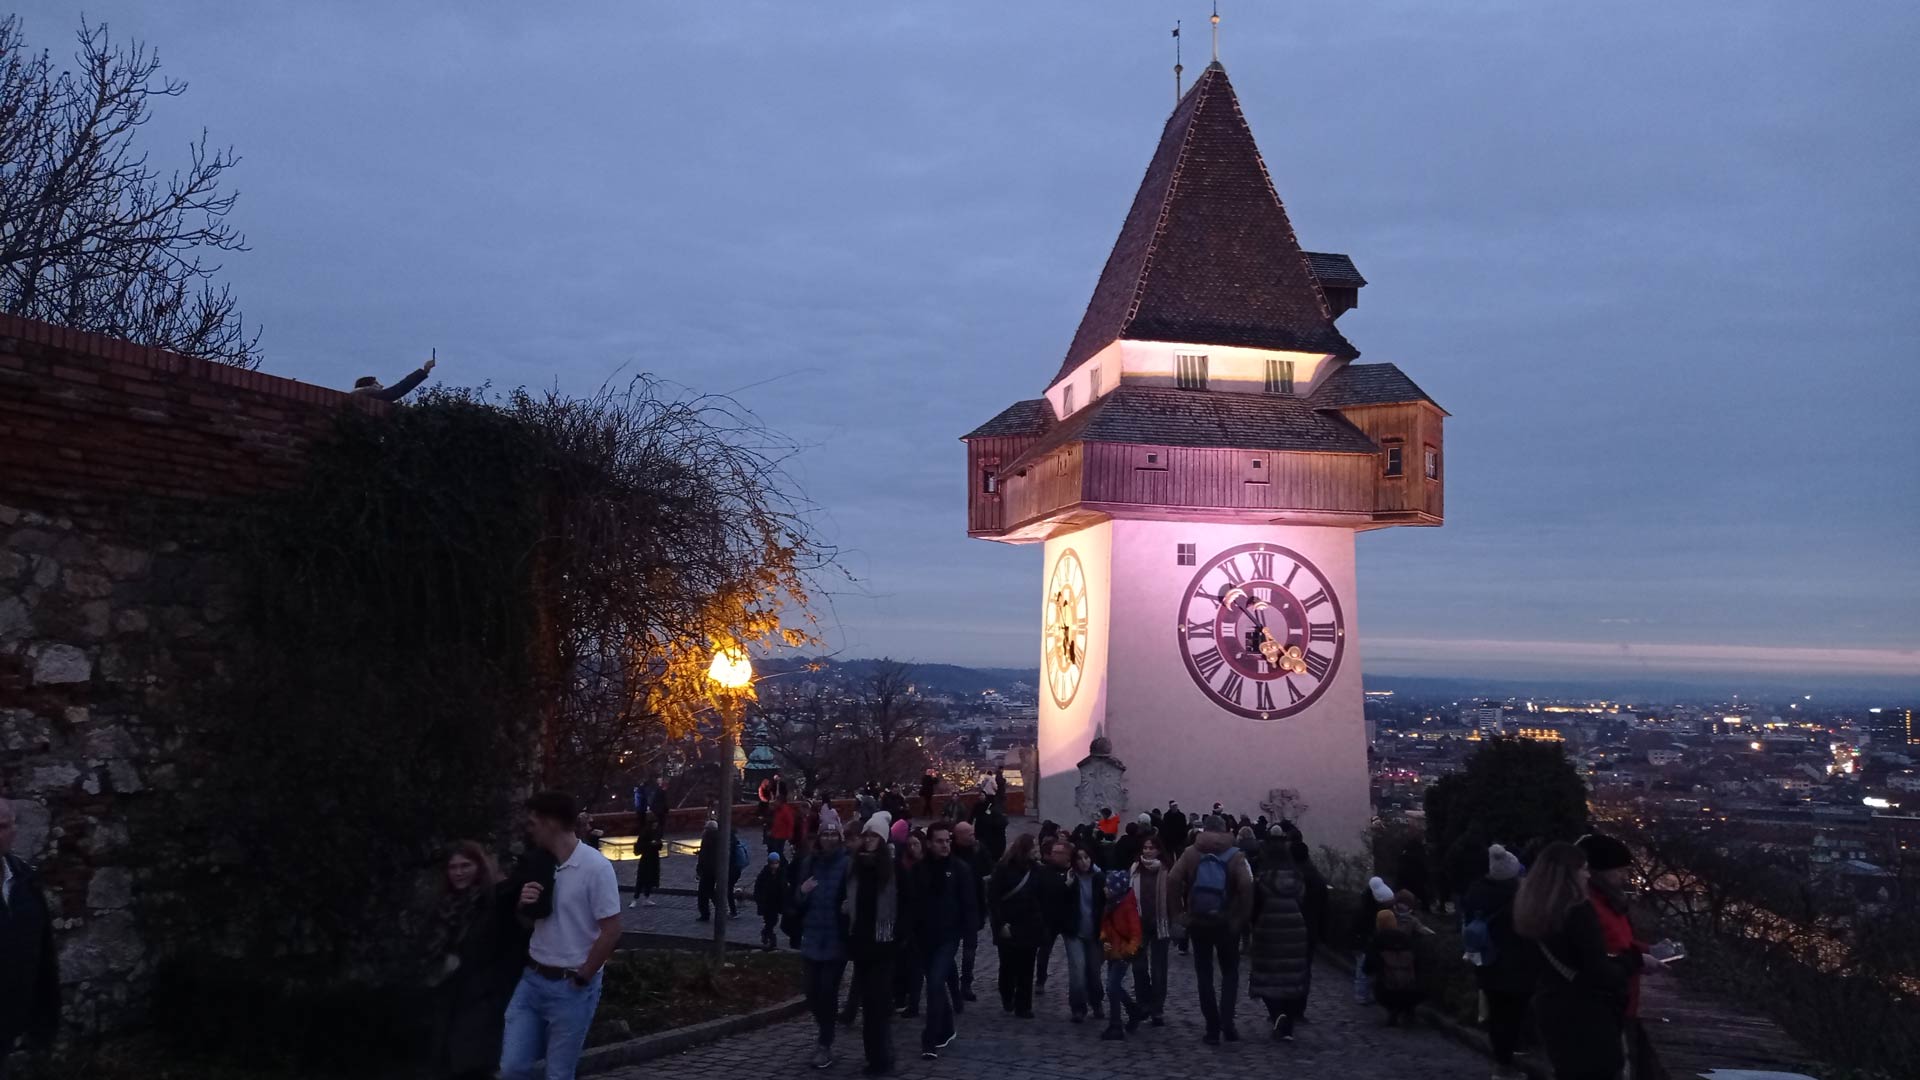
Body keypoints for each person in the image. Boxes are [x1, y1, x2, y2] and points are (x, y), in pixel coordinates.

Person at [500, 791, 623, 1080]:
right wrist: (522, 905)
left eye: (533, 823)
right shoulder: (538, 863)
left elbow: (612, 929)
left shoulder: (596, 867)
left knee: (558, 1074)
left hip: (571, 986)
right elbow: (529, 922)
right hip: (532, 980)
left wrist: (583, 976)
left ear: (551, 823)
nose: (529, 830)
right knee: (512, 1069)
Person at [1514, 841, 1631, 1080]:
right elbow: (1597, 971)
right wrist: (1632, 962)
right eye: (1584, 868)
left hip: (1551, 1007)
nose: (1588, 874)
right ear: (1569, 874)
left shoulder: (1533, 909)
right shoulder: (1578, 911)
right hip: (1586, 1014)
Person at [423, 841, 517, 1080]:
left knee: (473, 1065)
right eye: (453, 867)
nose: (459, 872)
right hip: (449, 996)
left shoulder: (493, 903)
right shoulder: (443, 905)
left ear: (479, 867)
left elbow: (506, 950)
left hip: (482, 998)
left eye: (465, 865)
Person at [1579, 832, 1666, 1080]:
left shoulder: (1607, 902)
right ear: (1598, 871)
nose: (1624, 878)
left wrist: (1649, 950)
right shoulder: (1588, 908)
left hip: (1617, 999)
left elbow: (1621, 943)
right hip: (1603, 1003)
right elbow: (1600, 955)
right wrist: (1640, 959)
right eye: (1619, 871)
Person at [1167, 814, 1254, 1044]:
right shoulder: (1235, 855)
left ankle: (1212, 1027)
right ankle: (1228, 1022)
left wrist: (1178, 914)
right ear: (1225, 830)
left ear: (1204, 830)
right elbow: (1246, 885)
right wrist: (1241, 918)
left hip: (1199, 921)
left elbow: (1173, 880)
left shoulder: (1191, 852)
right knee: (1230, 973)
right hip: (1226, 922)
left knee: (1204, 974)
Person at [1461, 843, 1534, 1080]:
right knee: (1513, 1017)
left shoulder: (1475, 891)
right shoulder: (1518, 896)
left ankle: (1500, 1063)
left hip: (1485, 962)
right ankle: (1504, 1065)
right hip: (1515, 966)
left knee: (1497, 1015)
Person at [0, 797, 59, 1080]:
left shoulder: (24, 882)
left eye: (1, 826)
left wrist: (43, 1015)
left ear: (13, 830)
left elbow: (42, 952)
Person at [913, 820, 976, 1059]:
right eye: (939, 841)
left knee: (935, 984)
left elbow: (969, 904)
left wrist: (970, 936)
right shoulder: (920, 869)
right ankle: (948, 1027)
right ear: (929, 843)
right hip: (924, 937)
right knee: (936, 983)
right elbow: (912, 903)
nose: (944, 845)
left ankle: (929, 1038)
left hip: (948, 936)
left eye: (947, 841)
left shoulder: (960, 869)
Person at [843, 814, 900, 1075]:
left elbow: (906, 906)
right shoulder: (855, 868)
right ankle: (873, 1056)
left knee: (877, 1006)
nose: (868, 840)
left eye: (874, 836)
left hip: (884, 945)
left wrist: (899, 938)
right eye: (866, 835)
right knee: (869, 1005)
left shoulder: (893, 870)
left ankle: (883, 1057)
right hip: (861, 943)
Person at [796, 816, 852, 1069]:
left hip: (836, 939)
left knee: (828, 990)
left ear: (840, 838)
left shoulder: (848, 865)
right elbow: (795, 901)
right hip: (812, 935)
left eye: (833, 835)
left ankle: (825, 1042)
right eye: (825, 834)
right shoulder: (810, 863)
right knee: (811, 991)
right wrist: (802, 893)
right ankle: (825, 1028)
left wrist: (850, 907)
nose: (829, 839)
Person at [1246, 834, 1310, 1041]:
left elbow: (1254, 910)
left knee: (1267, 977)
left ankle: (1277, 1015)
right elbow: (1304, 903)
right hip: (1296, 930)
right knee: (1292, 978)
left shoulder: (1263, 880)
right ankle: (1288, 1025)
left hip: (1269, 930)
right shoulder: (1298, 878)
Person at [988, 833, 1046, 1018]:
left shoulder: (1036, 869)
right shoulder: (1003, 869)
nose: (1036, 851)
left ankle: (1024, 1005)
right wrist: (999, 924)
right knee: (1008, 965)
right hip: (1008, 922)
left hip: (1030, 924)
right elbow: (994, 899)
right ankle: (1007, 994)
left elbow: (1041, 895)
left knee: (1027, 966)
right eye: (1033, 847)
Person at [1054, 845, 1107, 1022]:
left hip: (1094, 932)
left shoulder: (1099, 878)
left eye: (1086, 858)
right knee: (1077, 969)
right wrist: (1066, 886)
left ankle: (1096, 1002)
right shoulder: (1070, 878)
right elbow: (1059, 902)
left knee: (1094, 970)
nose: (1083, 862)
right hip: (1074, 931)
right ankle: (1078, 1007)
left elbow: (1107, 904)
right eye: (1079, 858)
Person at [1097, 868, 1148, 1040]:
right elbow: (1106, 926)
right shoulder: (1112, 903)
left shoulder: (1127, 906)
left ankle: (1116, 1025)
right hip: (1113, 950)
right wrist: (1105, 941)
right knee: (1113, 986)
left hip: (1123, 953)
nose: (1105, 889)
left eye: (1108, 887)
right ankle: (1133, 1009)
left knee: (1112, 987)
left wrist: (1127, 952)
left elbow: (1136, 933)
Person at [1129, 834, 1174, 1026]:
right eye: (1145, 848)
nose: (1147, 851)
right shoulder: (1134, 869)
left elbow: (1174, 897)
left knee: (1158, 969)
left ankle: (1157, 1008)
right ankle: (1143, 1001)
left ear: (1158, 849)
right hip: (1138, 923)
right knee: (1138, 967)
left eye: (1151, 847)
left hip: (1160, 923)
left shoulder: (1166, 870)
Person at [950, 820, 993, 1004]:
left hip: (973, 907)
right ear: (958, 836)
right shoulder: (949, 852)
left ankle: (966, 983)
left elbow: (991, 870)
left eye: (972, 832)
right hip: (952, 909)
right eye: (968, 833)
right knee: (950, 949)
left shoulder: (979, 850)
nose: (972, 836)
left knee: (969, 950)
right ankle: (951, 982)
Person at [1289, 839, 1330, 1018]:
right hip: (1309, 929)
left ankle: (1285, 1007)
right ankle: (1299, 1008)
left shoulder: (1290, 876)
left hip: (1290, 928)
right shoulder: (1316, 877)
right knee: (1304, 970)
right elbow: (1324, 908)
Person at [1365, 908, 1422, 1025]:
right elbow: (1416, 960)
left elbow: (1369, 962)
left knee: (1379, 984)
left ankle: (1393, 1010)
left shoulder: (1378, 938)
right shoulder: (1404, 937)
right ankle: (1408, 1011)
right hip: (1410, 986)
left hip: (1386, 986)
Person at [1033, 836, 1072, 992]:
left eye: (1057, 852)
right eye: (1053, 852)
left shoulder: (1074, 871)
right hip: (1048, 918)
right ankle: (1040, 980)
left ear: (1067, 855)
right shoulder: (1044, 871)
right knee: (1044, 951)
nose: (1053, 855)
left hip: (1068, 918)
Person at [1352, 876, 1396, 1004]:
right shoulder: (1366, 912)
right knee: (1363, 970)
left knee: (1364, 970)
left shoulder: (1367, 907)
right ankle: (1361, 994)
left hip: (1366, 941)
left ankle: (1363, 994)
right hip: (1364, 942)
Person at [351, 354, 437, 401]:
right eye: (376, 384)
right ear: (367, 387)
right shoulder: (371, 398)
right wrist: (425, 370)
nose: (382, 386)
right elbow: (399, 389)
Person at [754, 851, 787, 951]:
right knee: (770, 921)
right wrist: (759, 900)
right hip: (766, 903)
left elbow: (783, 888)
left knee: (773, 921)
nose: (774, 865)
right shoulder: (764, 875)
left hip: (776, 902)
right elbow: (758, 889)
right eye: (772, 863)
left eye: (776, 863)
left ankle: (766, 933)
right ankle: (771, 938)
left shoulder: (781, 873)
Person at [629, 817, 662, 909]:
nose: (655, 826)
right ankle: (635, 899)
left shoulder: (656, 832)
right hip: (646, 858)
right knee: (641, 878)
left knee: (650, 878)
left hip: (654, 858)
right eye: (654, 824)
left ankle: (646, 897)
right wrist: (651, 844)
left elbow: (660, 845)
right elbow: (640, 845)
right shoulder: (644, 833)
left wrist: (657, 844)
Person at [696, 819, 722, 922]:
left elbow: (703, 856)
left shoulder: (707, 838)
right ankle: (721, 909)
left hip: (707, 869)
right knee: (711, 891)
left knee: (703, 893)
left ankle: (705, 914)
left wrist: (699, 869)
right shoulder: (720, 838)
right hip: (717, 869)